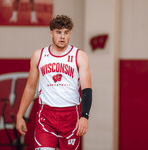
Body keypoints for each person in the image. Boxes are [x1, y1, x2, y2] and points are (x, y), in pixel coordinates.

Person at [16, 15, 92, 150]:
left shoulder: (79, 56)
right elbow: (30, 87)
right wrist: (20, 115)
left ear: (69, 33)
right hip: (46, 115)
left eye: (66, 32)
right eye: (58, 32)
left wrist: (84, 116)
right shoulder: (39, 56)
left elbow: (87, 89)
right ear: (51, 33)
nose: (62, 37)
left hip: (70, 116)